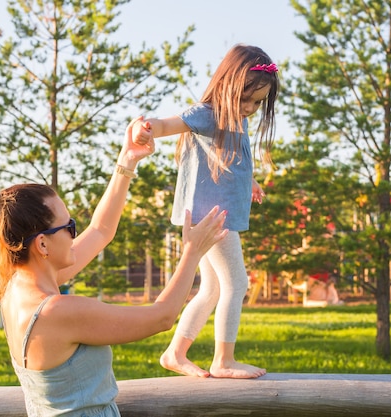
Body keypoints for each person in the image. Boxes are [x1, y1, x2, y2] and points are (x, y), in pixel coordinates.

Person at [0, 117, 229, 417]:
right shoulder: (57, 311)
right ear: (43, 245)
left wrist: (126, 163)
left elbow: (101, 230)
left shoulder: (17, 286)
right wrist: (191, 251)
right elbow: (160, 318)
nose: (76, 232)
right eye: (69, 226)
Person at [138, 44, 280, 379]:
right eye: (247, 98)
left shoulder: (237, 118)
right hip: (212, 218)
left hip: (215, 214)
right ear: (229, 85)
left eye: (258, 102)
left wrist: (252, 183)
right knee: (237, 283)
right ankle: (224, 360)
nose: (251, 107)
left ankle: (175, 353)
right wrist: (147, 128)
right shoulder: (208, 112)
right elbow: (168, 124)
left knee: (212, 289)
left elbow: (234, 160)